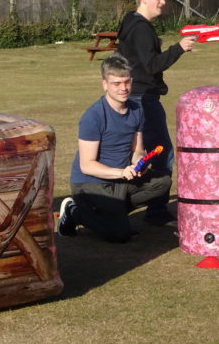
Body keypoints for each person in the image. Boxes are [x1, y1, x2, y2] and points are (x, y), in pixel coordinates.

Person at [57, 54, 171, 242]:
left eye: (126, 82)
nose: (123, 88)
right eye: (116, 83)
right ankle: (74, 212)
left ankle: (112, 213)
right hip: (90, 182)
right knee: (120, 234)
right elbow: (87, 165)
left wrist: (138, 164)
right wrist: (121, 172)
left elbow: (138, 150)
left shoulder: (137, 110)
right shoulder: (93, 116)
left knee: (163, 182)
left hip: (121, 179)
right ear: (105, 84)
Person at [115, 0, 195, 226]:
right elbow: (151, 66)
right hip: (143, 98)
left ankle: (123, 204)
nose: (163, 2)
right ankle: (156, 212)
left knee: (140, 155)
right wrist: (179, 49)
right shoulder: (140, 28)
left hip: (137, 96)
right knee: (162, 153)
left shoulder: (133, 24)